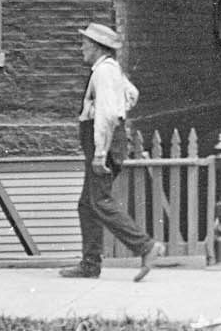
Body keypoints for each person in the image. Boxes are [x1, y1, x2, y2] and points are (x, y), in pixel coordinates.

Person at [61, 23, 163, 282]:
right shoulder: (111, 69)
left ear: (97, 47)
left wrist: (99, 152)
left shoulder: (103, 73)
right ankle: (90, 264)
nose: (81, 47)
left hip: (101, 144)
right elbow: (132, 94)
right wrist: (119, 111)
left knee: (100, 201)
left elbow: (106, 116)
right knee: (87, 205)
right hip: (107, 140)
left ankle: (146, 247)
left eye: (85, 43)